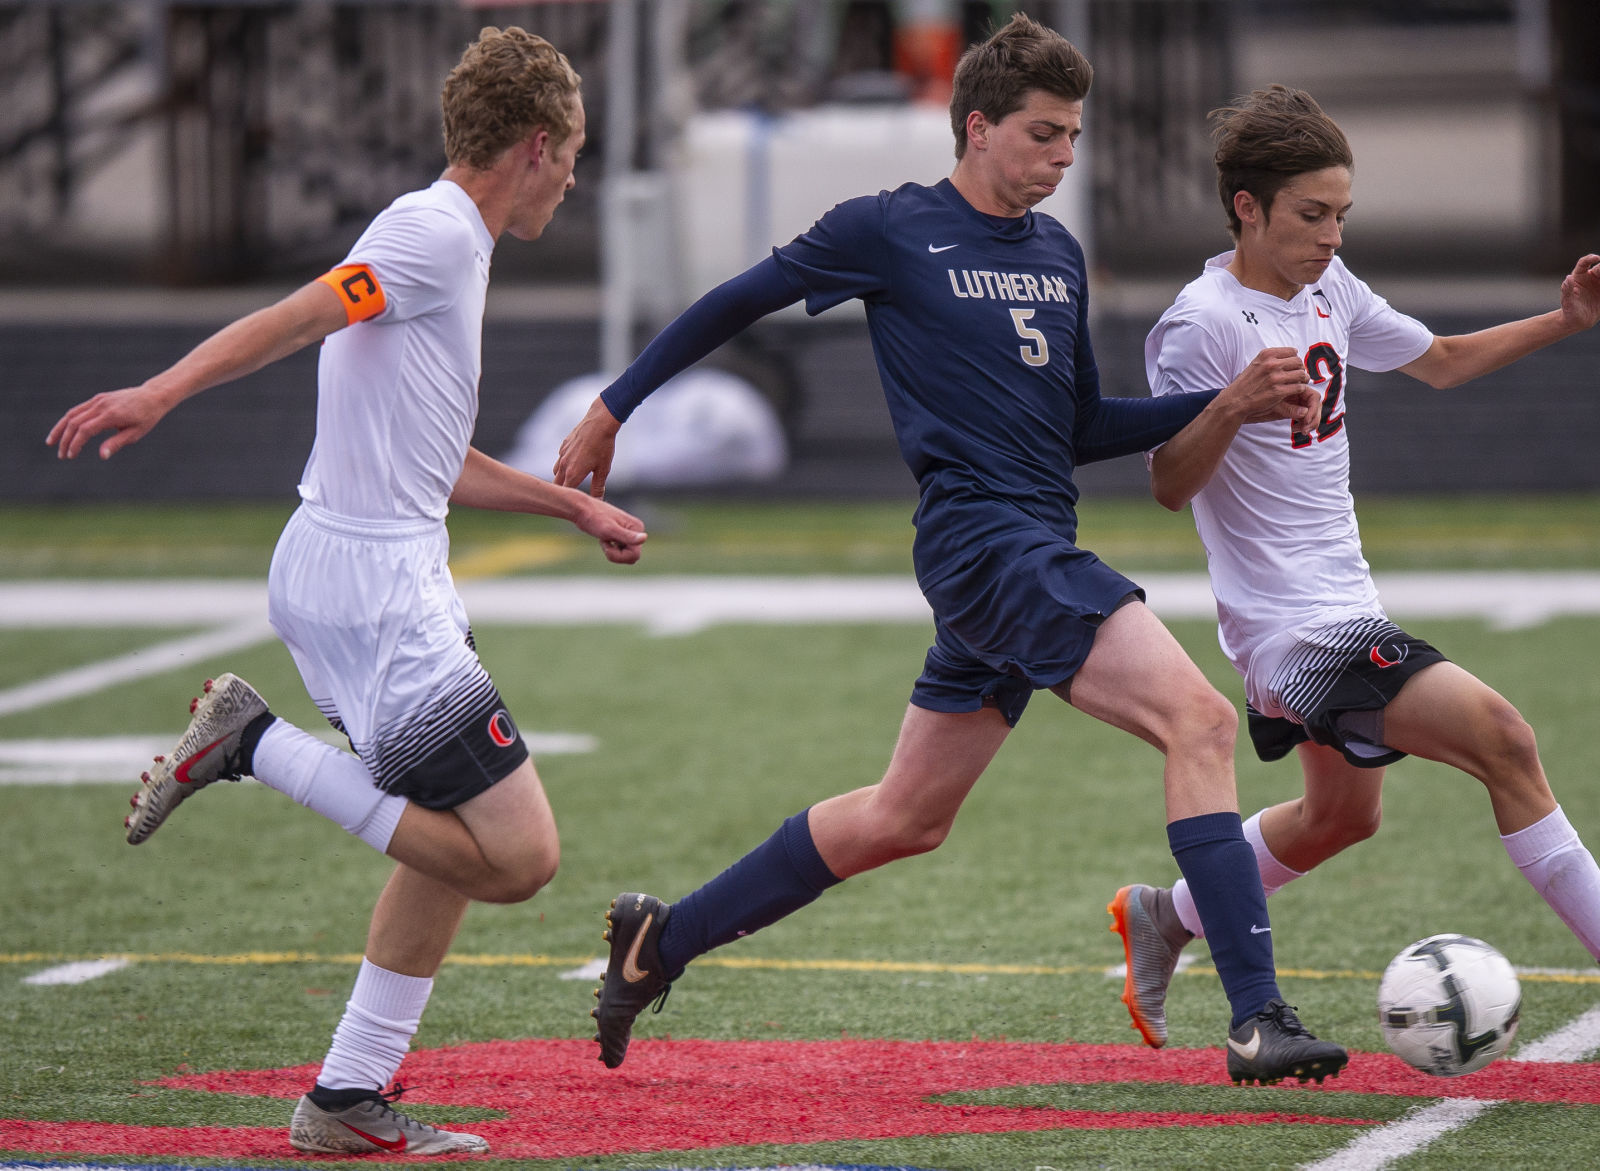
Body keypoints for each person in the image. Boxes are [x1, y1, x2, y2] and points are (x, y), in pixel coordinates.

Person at [553, 15, 1347, 1087]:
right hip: (981, 544)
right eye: (1041, 135)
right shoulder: (889, 229)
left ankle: (661, 941)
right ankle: (1256, 1017)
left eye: (1071, 137)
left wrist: (1222, 401)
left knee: (903, 818)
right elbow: (735, 303)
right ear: (975, 128)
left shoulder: (1058, 254)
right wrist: (612, 408)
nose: (1063, 158)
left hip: (1027, 545)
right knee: (1197, 719)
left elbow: (1076, 429)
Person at [47, 27, 646, 1155]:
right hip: (372, 587)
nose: (572, 177)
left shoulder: (447, 240)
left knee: (449, 840)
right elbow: (307, 310)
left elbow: (440, 459)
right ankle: (249, 742)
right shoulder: (430, 234)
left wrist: (573, 507)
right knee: (519, 858)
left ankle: (343, 1096)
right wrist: (163, 391)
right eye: (570, 154)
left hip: (372, 571)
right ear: (533, 144)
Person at [1109, 84, 1600, 1052]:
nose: (1331, 237)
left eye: (1340, 216)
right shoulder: (1201, 323)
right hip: (1294, 632)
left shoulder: (1328, 290)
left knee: (1336, 818)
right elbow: (1164, 484)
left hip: (1345, 603)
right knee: (1502, 736)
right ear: (1246, 207)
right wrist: (1228, 405)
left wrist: (1561, 321)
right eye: (1310, 216)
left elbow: (1437, 359)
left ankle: (1165, 915)